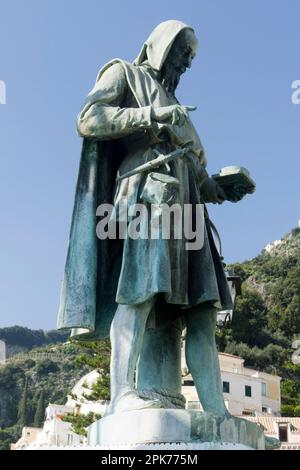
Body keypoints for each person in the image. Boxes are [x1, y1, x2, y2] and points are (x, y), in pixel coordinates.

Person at [57, 20, 238, 416]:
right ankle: (122, 394)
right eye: (181, 53)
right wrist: (151, 116)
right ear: (160, 46)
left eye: (190, 57)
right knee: (139, 294)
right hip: (148, 197)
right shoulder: (124, 73)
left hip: (189, 207)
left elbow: (196, 165)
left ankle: (216, 413)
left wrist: (217, 187)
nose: (185, 64)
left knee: (202, 309)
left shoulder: (180, 108)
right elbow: (88, 118)